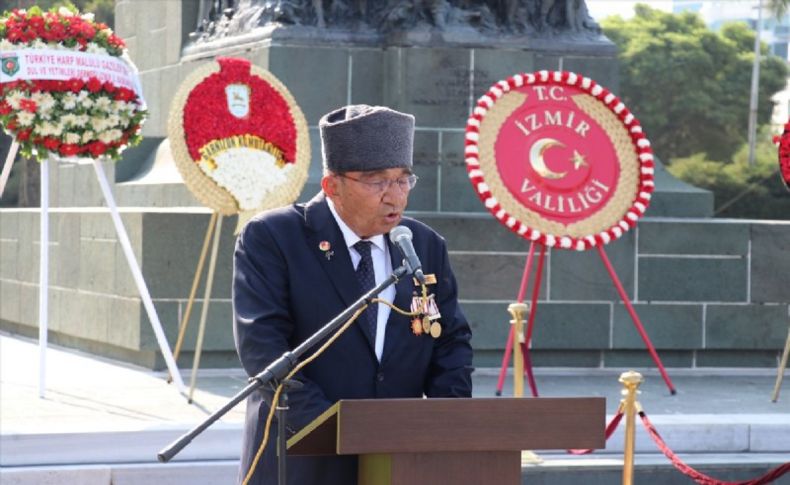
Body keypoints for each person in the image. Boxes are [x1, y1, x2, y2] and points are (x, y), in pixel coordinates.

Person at [232, 104, 474, 485]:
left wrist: (442, 425)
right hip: (301, 452)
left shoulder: (422, 245)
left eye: (403, 180)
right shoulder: (275, 237)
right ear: (332, 186)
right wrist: (336, 432)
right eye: (377, 182)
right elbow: (263, 349)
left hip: (396, 456)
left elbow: (451, 343)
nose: (395, 197)